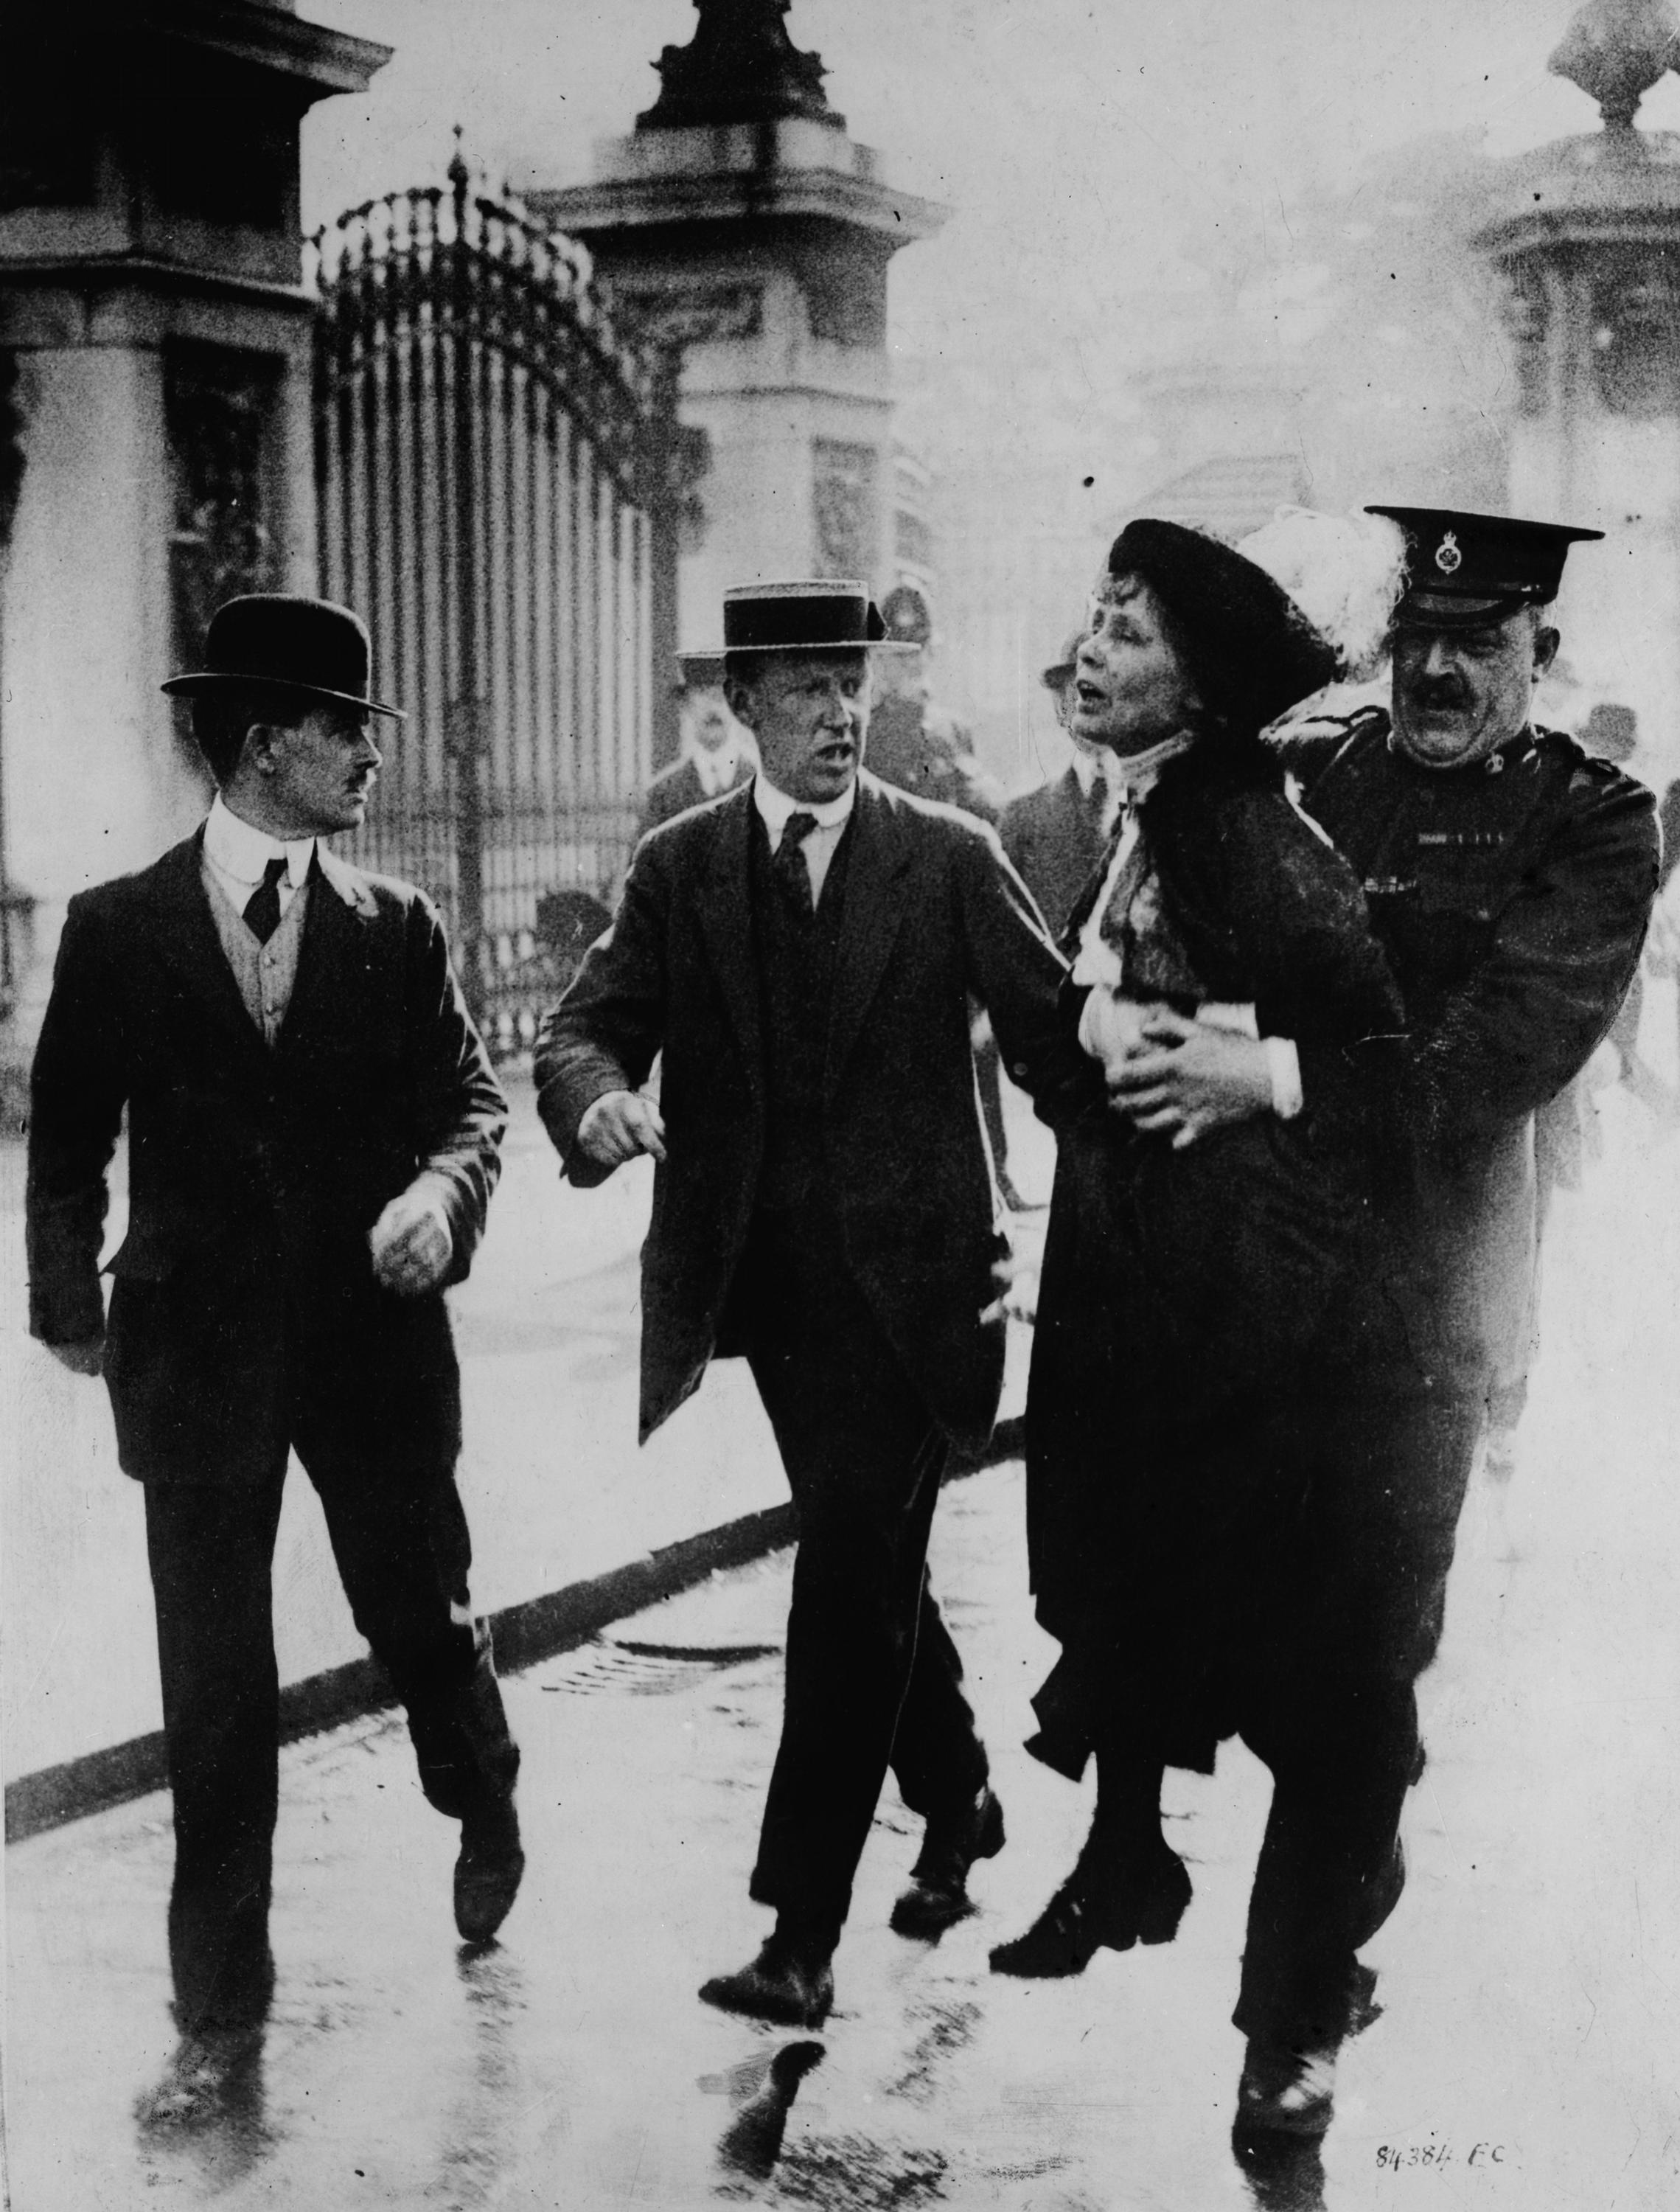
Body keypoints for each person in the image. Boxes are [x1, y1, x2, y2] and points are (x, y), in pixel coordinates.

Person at [1103, 508, 1659, 2134]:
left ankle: (1286, 2025)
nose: (1433, 674)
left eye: (1474, 647)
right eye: (1413, 640)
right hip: (1247, 1305)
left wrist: (1266, 1072)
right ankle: (1360, 1829)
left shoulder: (1589, 826)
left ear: (1536, 654)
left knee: (1354, 1668)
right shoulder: (1308, 772)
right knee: (1280, 1673)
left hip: (1424, 1322)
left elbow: (1484, 1072)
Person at [534, 579, 1090, 2031]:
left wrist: (1129, 1216)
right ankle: (958, 1796)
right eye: (806, 692)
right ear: (742, 708)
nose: (841, 715)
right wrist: (596, 1103)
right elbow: (584, 1028)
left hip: (921, 1305)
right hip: (768, 1306)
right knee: (872, 1565)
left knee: (842, 1580)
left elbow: (1056, 1051)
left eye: (852, 686)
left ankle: (797, 1930)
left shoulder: (947, 857)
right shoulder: (682, 866)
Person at [26, 595, 523, 2115]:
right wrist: (67, 1307)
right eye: (346, 728)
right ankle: (218, 2015)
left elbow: (472, 1107)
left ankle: (481, 1787)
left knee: (414, 1616)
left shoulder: (398, 927)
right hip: (194, 1355)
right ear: (264, 745)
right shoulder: (117, 929)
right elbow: (65, 1140)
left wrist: (439, 1199)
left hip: (374, 1349)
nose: (372, 754)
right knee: (215, 1687)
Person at [984, 524, 1402, 2048]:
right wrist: (1094, 1056)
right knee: (1119, 1571)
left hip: (1229, 1303)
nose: (1092, 650)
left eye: (1131, 632)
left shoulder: (1247, 835)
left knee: (1256, 1631)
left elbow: (1371, 1065)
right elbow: (1095, 1020)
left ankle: (1320, 1915)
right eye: (1095, 618)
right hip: (1130, 1269)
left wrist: (1244, 1076)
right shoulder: (1152, 812)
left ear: (1204, 690)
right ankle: (1123, 1856)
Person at [999, 633, 1120, 939]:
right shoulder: (1022, 820)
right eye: (1075, 692)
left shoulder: (1168, 810)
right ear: (1058, 709)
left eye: (1102, 690)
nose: (1085, 705)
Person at [638, 650, 756, 836]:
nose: (713, 707)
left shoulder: (761, 782)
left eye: (721, 695)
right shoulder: (663, 794)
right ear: (685, 705)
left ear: (737, 703)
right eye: (702, 694)